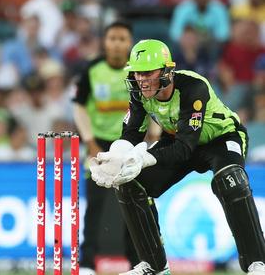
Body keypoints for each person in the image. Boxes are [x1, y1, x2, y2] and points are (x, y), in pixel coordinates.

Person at [89, 39, 265, 275]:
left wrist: (143, 159)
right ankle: (154, 266)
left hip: (221, 139)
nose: (141, 79)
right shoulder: (140, 93)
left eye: (147, 72)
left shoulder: (193, 87)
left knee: (230, 180)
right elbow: (132, 133)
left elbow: (184, 148)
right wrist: (114, 158)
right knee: (129, 183)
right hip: (178, 139)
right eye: (137, 73)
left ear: (167, 71)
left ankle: (258, 263)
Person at [72, 21, 138, 274]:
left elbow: (150, 104)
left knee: (133, 204)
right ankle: (87, 263)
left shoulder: (137, 70)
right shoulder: (92, 69)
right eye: (112, 38)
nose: (117, 43)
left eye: (122, 38)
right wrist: (89, 141)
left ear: (130, 43)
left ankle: (136, 262)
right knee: (95, 204)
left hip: (130, 143)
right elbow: (78, 106)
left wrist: (149, 139)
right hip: (97, 145)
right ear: (105, 42)